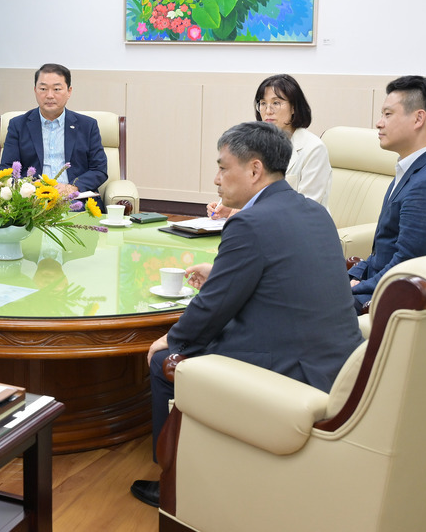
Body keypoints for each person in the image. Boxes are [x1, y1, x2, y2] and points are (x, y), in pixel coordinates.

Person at [130, 121, 363, 508]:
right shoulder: (314, 211)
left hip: (290, 367)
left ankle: (174, 481)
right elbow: (286, 276)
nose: (216, 179)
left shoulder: (249, 221)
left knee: (164, 361)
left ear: (255, 170)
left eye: (223, 167)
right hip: (337, 363)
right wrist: (220, 274)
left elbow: (211, 307)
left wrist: (173, 338)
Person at [348, 75, 426, 309]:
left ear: (418, 118)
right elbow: (384, 249)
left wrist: (353, 289)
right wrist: (353, 276)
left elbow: (406, 267)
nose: (379, 123)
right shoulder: (414, 168)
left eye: (388, 114)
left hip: (396, 301)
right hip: (381, 286)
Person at [207, 74, 331, 218]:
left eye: (276, 103)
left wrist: (251, 212)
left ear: (293, 108)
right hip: (264, 221)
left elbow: (305, 206)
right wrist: (228, 207)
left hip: (302, 224)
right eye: (263, 103)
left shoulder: (314, 148)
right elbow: (247, 189)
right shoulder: (257, 144)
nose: (268, 111)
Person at [0, 63, 108, 196]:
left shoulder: (88, 126)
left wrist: (73, 187)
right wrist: (28, 186)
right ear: (35, 90)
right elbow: (6, 169)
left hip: (75, 198)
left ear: (69, 91)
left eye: (57, 89)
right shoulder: (18, 125)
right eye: (43, 89)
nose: (49, 95)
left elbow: (99, 169)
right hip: (32, 199)